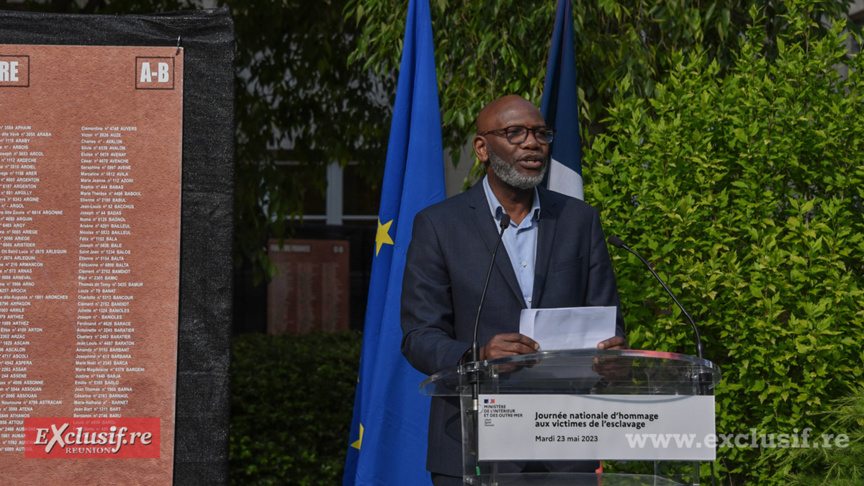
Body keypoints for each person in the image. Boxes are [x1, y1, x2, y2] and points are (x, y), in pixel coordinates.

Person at [401, 94, 627, 485]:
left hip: (566, 442)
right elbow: (419, 336)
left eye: (541, 133)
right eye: (515, 133)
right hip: (473, 444)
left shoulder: (579, 220)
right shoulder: (439, 226)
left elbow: (610, 323)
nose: (532, 143)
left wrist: (613, 354)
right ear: (482, 148)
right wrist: (477, 355)